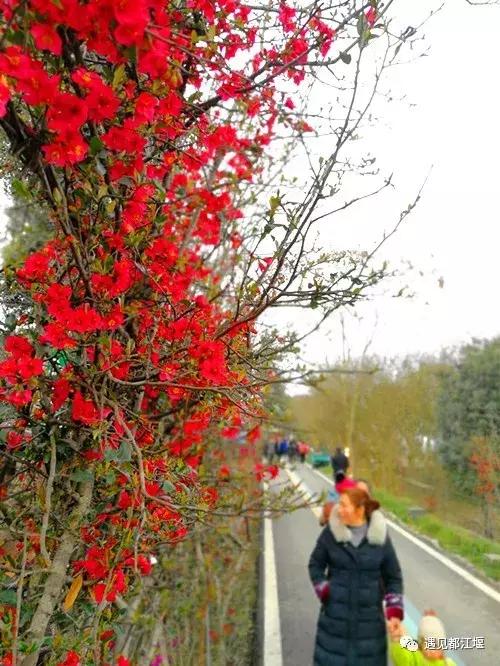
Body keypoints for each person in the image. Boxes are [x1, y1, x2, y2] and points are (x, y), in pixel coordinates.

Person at [309, 487, 404, 665]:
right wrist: (325, 591)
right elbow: (315, 564)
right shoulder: (331, 534)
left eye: (344, 505)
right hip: (334, 622)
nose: (339, 509)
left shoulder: (380, 538)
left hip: (370, 628)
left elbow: (393, 577)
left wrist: (394, 613)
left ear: (360, 509)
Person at [388, 609, 457, 665]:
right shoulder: (415, 657)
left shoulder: (448, 664)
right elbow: (402, 658)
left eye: (435, 646)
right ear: (421, 645)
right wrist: (397, 639)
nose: (432, 650)